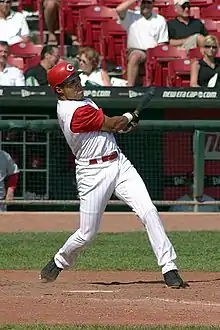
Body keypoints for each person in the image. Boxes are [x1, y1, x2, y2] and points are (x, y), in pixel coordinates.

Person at [40, 61, 186, 289]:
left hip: (118, 163)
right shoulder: (73, 111)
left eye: (77, 79)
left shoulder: (81, 100)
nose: (78, 85)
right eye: (71, 83)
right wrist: (127, 118)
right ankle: (60, 260)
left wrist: (123, 125)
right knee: (86, 233)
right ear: (59, 89)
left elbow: (108, 127)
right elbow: (112, 123)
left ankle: (169, 267)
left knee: (148, 210)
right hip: (92, 173)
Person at [116, 0, 168, 86]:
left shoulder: (160, 19)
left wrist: (154, 55)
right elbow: (119, 9)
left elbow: (162, 43)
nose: (146, 5)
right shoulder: (131, 16)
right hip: (135, 50)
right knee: (136, 56)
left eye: (149, 2)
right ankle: (129, 88)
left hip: (153, 53)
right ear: (139, 3)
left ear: (153, 4)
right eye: (143, 2)